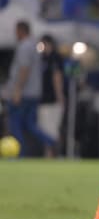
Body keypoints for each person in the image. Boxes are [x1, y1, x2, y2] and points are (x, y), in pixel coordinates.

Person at [2, 21, 57, 157]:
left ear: (21, 31)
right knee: (30, 125)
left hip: (23, 93)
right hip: (34, 93)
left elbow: (24, 69)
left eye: (16, 31)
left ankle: (19, 153)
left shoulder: (25, 46)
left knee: (15, 123)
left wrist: (17, 90)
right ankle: (51, 141)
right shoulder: (34, 46)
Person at [38, 35, 65, 155]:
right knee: (44, 128)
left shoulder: (55, 58)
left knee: (52, 129)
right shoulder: (42, 58)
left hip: (52, 99)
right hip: (43, 98)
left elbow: (57, 77)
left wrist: (59, 96)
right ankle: (48, 153)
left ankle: (54, 153)